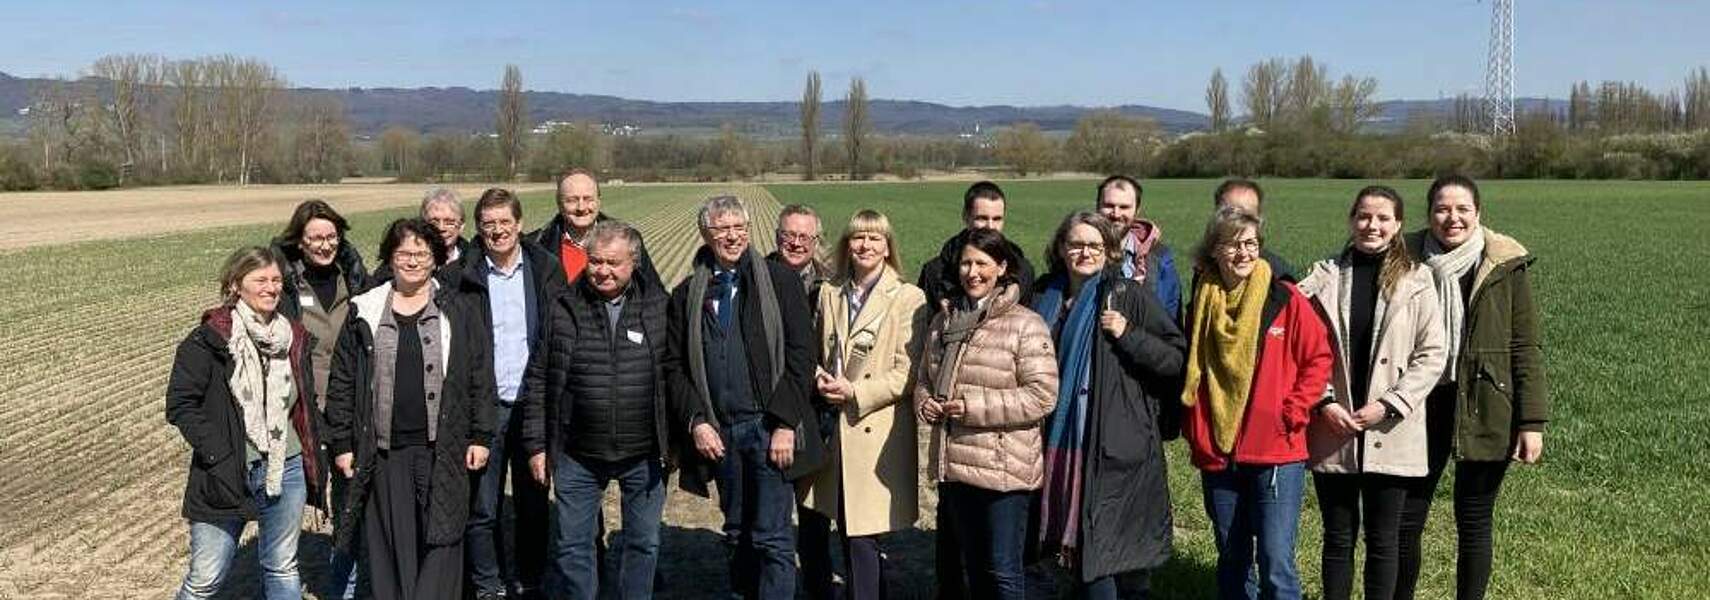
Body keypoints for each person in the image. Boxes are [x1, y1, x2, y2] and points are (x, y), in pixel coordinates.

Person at [1394, 175, 1549, 600]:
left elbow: (1524, 345)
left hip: (1486, 403)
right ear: (1429, 215)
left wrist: (1531, 421)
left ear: (1478, 213)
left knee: (1475, 520)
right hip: (1419, 404)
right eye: (1443, 208)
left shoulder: (1504, 264)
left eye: (1463, 209)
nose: (1453, 218)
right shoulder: (1403, 259)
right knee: (1408, 518)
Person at [325, 218, 497, 600]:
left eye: (422, 253)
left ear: (435, 259)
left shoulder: (459, 308)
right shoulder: (363, 312)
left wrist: (481, 436)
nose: (413, 261)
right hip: (384, 451)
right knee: (391, 542)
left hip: (444, 446)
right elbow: (342, 382)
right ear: (389, 258)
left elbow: (481, 375)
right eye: (404, 253)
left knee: (444, 535)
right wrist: (341, 444)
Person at [662, 195, 816, 600]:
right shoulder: (687, 293)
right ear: (705, 235)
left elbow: (802, 355)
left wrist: (784, 422)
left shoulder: (778, 281)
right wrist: (696, 421)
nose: (732, 236)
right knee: (735, 534)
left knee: (772, 538)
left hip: (767, 427)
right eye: (722, 229)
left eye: (738, 228)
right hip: (720, 433)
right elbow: (674, 366)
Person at [1298, 186, 1446, 600]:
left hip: (1392, 428)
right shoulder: (1324, 278)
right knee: (1338, 538)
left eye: (1383, 218)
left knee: (1384, 541)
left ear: (1398, 225)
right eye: (1364, 216)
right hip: (1335, 426)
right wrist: (1324, 401)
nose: (1372, 226)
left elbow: (1433, 354)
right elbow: (1302, 349)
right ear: (1351, 220)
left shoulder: (1418, 280)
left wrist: (1388, 405)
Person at [1031, 211, 1186, 599]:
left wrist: (1128, 334)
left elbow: (1174, 359)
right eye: (1076, 244)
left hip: (1114, 445)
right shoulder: (1044, 297)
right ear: (1061, 249)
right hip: (1061, 442)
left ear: (1110, 250)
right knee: (1094, 555)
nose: (1084, 252)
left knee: (1102, 555)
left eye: (1094, 245)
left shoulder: (1127, 295)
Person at [1180, 207, 1332, 600]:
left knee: (1275, 559)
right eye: (1233, 244)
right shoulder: (1203, 296)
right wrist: (1195, 426)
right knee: (1231, 557)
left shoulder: (1284, 296)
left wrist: (1293, 409)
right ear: (1214, 250)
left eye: (1251, 243)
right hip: (1219, 449)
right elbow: (1195, 368)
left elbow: (1318, 358)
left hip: (1275, 450)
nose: (1244, 253)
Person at [519, 220, 673, 600]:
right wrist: (537, 445)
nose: (602, 270)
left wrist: (678, 439)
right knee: (573, 547)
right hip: (577, 455)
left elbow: (675, 374)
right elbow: (539, 376)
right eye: (595, 261)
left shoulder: (658, 307)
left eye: (612, 263)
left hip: (644, 453)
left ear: (634, 263)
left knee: (644, 544)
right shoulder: (562, 307)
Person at [167, 245, 324, 600]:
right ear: (237, 284)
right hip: (225, 470)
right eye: (260, 280)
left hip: (287, 466)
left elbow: (302, 407)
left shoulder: (293, 337)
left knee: (282, 567)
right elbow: (180, 404)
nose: (271, 288)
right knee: (206, 578)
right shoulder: (208, 341)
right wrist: (219, 452)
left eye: (276, 280)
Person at [914, 227, 1059, 600]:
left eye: (982, 263)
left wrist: (972, 407)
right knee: (975, 567)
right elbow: (925, 379)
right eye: (966, 263)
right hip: (957, 464)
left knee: (1003, 571)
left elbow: (1042, 396)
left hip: (1003, 470)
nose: (972, 272)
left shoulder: (1026, 324)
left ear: (1002, 267)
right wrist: (926, 401)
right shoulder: (944, 321)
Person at [796, 209, 930, 600]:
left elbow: (909, 372)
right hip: (834, 428)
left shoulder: (908, 297)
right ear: (846, 245)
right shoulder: (829, 292)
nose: (865, 245)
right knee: (844, 525)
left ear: (888, 247)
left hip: (874, 429)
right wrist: (820, 377)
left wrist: (856, 392)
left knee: (862, 536)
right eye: (858, 237)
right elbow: (817, 351)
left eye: (875, 238)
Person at [461, 188, 565, 600]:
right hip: (486, 410)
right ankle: (488, 584)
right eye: (489, 224)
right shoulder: (466, 276)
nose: (498, 231)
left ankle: (530, 578)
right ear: (479, 229)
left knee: (533, 503)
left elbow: (558, 336)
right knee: (481, 509)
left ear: (520, 224)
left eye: (505, 222)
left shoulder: (545, 268)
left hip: (533, 407)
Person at [269, 199, 370, 599]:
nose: (325, 245)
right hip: (300, 413)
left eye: (332, 237)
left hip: (348, 411)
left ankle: (345, 590)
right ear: (299, 240)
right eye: (315, 238)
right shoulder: (285, 285)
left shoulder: (356, 279)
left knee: (349, 511)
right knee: (289, 510)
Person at [528, 167, 660, 286]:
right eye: (572, 200)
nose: (581, 207)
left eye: (588, 199)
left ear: (598, 201)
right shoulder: (536, 245)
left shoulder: (628, 239)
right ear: (559, 204)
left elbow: (653, 292)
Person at [917, 181, 1038, 311]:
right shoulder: (934, 273)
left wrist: (1017, 284)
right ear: (965, 217)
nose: (990, 227)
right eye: (982, 218)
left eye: (997, 219)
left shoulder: (1022, 270)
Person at [1096, 175, 1183, 321]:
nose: (1116, 214)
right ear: (1097, 206)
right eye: (1109, 206)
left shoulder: (1160, 257)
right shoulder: (1081, 254)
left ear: (1137, 210)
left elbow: (1171, 317)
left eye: (1124, 207)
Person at [372, 188, 476, 285]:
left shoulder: (474, 262)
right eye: (434, 222)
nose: (441, 228)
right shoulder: (400, 262)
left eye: (449, 222)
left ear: (461, 227)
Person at [1213, 179, 1297, 281]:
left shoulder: (1279, 277)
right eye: (1231, 214)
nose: (1240, 222)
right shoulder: (1206, 271)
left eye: (1248, 216)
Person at [767, 203, 831, 293]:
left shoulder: (831, 283)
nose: (796, 243)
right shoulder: (757, 275)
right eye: (789, 235)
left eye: (804, 238)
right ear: (777, 237)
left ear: (816, 243)